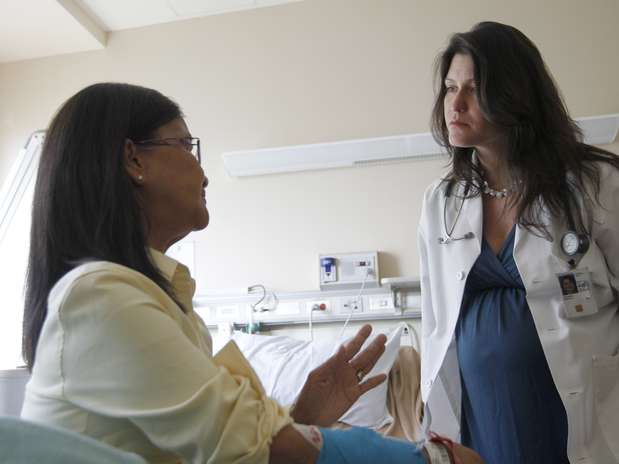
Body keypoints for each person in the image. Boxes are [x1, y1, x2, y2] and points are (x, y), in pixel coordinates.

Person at [20, 83, 482, 464]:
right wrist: (431, 459)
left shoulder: (156, 302)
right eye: (185, 145)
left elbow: (223, 447)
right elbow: (256, 450)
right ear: (133, 160)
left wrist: (303, 415)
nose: (202, 173)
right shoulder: (102, 298)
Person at [418, 21, 619, 464]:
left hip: (579, 410)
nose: (457, 103)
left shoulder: (592, 184)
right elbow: (435, 319)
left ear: (515, 95)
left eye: (474, 88)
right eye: (450, 88)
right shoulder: (442, 202)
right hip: (480, 418)